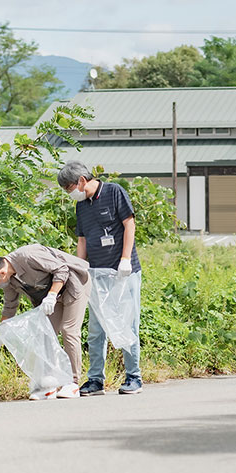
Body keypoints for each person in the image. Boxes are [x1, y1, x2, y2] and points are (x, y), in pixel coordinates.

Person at [57, 161, 144, 396]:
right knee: (96, 329)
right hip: (96, 274)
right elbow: (82, 240)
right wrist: (79, 269)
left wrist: (125, 258)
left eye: (70, 188)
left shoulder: (114, 191)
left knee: (127, 324)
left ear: (82, 181)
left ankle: (133, 376)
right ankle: (96, 380)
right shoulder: (82, 206)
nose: (70, 193)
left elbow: (129, 224)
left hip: (124, 273)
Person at [0, 245, 90, 399]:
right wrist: (1, 334)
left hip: (73, 285)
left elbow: (62, 269)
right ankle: (49, 384)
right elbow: (10, 307)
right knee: (44, 333)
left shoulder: (28, 256)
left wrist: (51, 295)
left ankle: (72, 383)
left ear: (1, 273)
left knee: (68, 330)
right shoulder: (9, 280)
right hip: (51, 297)